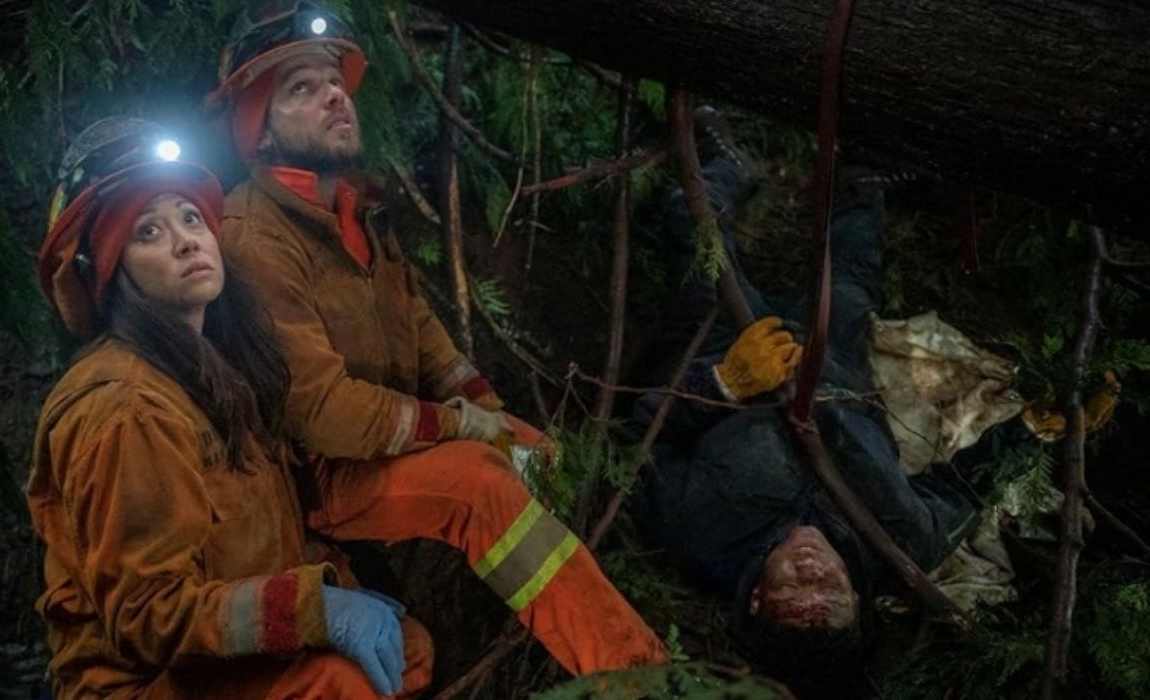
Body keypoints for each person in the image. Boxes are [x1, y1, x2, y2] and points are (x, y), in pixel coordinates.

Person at [205, 0, 668, 675]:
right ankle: (636, 674)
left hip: (384, 445)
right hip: (319, 478)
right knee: (481, 487)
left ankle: (569, 633)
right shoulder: (254, 238)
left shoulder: (354, 210)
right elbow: (325, 413)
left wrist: (491, 413)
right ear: (260, 131)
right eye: (301, 88)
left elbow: (421, 331)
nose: (334, 95)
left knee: (535, 455)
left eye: (333, 79)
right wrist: (457, 426)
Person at [632, 107, 1120, 694]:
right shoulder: (903, 547)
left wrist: (723, 383)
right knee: (848, 282)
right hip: (838, 368)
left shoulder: (698, 532)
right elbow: (962, 488)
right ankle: (862, 184)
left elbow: (639, 442)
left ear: (756, 598)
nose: (812, 569)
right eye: (830, 588)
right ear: (860, 600)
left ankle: (726, 163)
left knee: (692, 229)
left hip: (725, 344)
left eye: (793, 589)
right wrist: (1034, 429)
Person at [29, 116, 434, 699]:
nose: (186, 240)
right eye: (148, 232)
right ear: (111, 274)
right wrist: (316, 610)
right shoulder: (125, 408)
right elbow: (147, 618)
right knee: (340, 684)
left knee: (407, 653)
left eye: (191, 217)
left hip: (214, 664)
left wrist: (336, 589)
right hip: (140, 686)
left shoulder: (213, 370)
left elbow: (259, 540)